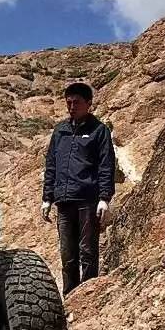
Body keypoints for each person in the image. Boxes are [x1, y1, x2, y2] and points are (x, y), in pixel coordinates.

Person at [41, 82, 115, 294]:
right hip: (63, 201)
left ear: (89, 103)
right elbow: (51, 165)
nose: (72, 106)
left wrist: (104, 197)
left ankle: (90, 295)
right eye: (69, 102)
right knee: (67, 254)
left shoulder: (99, 131)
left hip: (87, 200)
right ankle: (71, 295)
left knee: (88, 251)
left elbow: (106, 165)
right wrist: (47, 198)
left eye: (77, 102)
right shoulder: (60, 131)